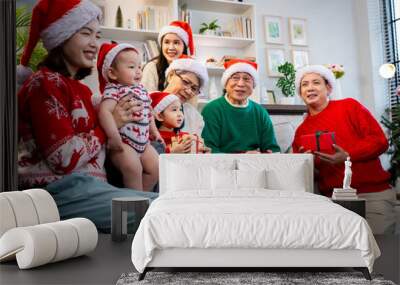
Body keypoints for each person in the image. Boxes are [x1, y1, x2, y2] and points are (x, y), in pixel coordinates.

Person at [17, 0, 157, 232]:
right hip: (58, 192)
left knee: (163, 205)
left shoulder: (83, 91)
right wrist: (111, 126)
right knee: (158, 212)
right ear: (62, 36)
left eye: (96, 35)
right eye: (85, 34)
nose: (94, 44)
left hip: (91, 188)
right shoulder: (44, 83)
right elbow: (63, 159)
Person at [292, 65, 396, 234]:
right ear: (300, 93)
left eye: (316, 82)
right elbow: (307, 175)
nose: (310, 87)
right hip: (333, 202)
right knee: (345, 257)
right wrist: (308, 164)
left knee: (381, 251)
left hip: (371, 195)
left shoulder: (349, 107)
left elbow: (379, 141)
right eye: (304, 85)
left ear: (329, 87)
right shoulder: (301, 132)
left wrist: (347, 155)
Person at [97, 42, 159, 191]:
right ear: (113, 73)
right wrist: (113, 137)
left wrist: (154, 131)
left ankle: (143, 197)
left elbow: (148, 112)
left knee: (157, 166)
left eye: (139, 66)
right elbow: (104, 112)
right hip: (123, 142)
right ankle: (134, 205)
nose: (138, 71)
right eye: (131, 67)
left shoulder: (142, 90)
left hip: (143, 142)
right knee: (133, 168)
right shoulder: (115, 89)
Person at [201, 59, 280, 153]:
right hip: (221, 165)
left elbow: (272, 148)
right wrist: (243, 157)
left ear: (253, 85)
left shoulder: (260, 112)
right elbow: (209, 150)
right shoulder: (212, 109)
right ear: (226, 84)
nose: (241, 84)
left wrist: (267, 155)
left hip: (256, 165)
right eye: (235, 78)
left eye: (246, 79)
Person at [142, 21, 194, 92]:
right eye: (166, 42)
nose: (171, 47)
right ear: (161, 45)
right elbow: (145, 100)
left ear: (183, 47)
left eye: (176, 42)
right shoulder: (152, 67)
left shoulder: (190, 71)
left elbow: (191, 102)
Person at [163, 55, 209, 137]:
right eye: (186, 82)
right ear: (170, 76)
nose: (189, 91)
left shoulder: (194, 117)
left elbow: (196, 145)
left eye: (194, 88)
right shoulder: (147, 104)